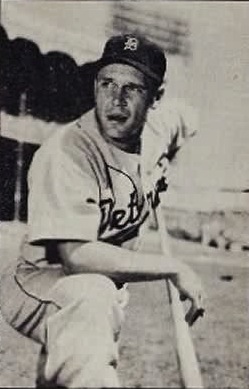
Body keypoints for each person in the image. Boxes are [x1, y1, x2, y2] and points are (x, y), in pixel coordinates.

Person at [0, 33, 205, 388]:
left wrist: (167, 159)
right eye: (107, 83)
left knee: (81, 336)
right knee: (91, 302)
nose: (116, 99)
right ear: (95, 85)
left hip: (101, 287)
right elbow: (76, 256)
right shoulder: (66, 154)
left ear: (156, 98)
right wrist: (174, 266)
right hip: (40, 281)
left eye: (133, 89)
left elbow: (189, 117)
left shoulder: (160, 128)